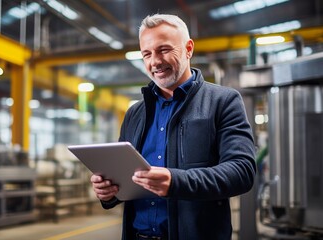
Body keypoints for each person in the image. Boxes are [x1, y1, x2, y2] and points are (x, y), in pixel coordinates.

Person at [90, 13, 256, 240]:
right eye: (146, 54)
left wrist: (176, 182)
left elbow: (242, 171)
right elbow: (126, 177)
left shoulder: (223, 101)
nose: (154, 61)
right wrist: (109, 192)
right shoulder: (135, 113)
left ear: (188, 49)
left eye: (164, 50)